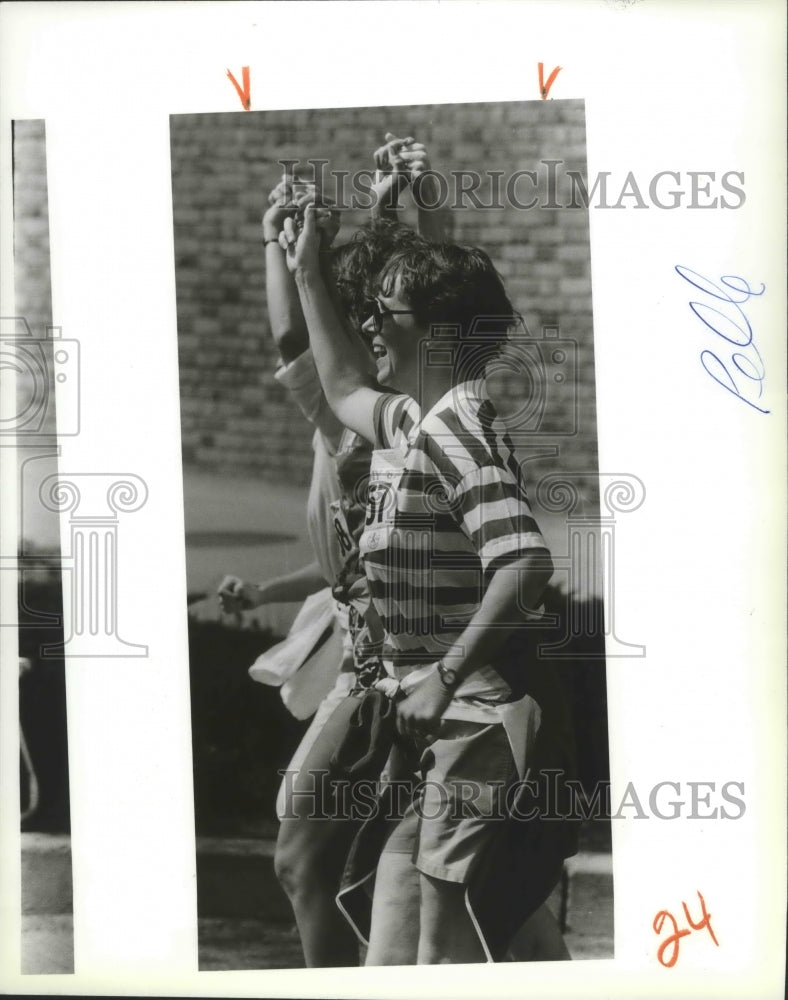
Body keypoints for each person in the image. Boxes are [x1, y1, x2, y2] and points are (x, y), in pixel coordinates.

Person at [280, 207, 574, 964]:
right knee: (459, 940)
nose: (370, 321)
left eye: (386, 310)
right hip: (448, 729)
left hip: (475, 724)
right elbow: (342, 385)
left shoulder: (455, 430)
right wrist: (305, 268)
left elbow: (523, 562)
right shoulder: (423, 417)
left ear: (441, 333)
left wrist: (442, 675)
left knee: (428, 957)